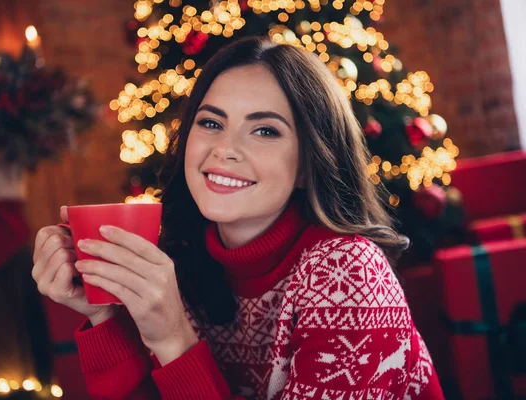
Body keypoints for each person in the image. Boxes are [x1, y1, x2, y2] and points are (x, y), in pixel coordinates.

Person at [32, 36, 444, 399]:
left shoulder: (349, 272)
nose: (224, 149)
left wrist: (174, 337)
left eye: (265, 130)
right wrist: (103, 314)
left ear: (308, 163)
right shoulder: (180, 262)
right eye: (211, 122)